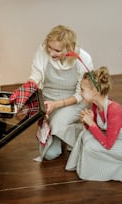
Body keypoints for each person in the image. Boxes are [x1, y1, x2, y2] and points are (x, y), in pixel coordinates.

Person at [26, 25, 94, 161]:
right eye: (49, 48)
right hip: (49, 101)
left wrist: (57, 104)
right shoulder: (43, 50)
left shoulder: (83, 59)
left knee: (57, 124)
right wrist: (27, 89)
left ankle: (76, 130)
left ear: (69, 48)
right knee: (51, 155)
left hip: (74, 102)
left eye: (57, 50)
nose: (51, 53)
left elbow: (81, 94)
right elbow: (36, 75)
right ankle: (61, 130)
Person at [65, 66, 122, 182]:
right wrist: (88, 122)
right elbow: (96, 130)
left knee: (91, 146)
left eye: (82, 89)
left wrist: (91, 124)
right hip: (118, 140)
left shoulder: (113, 110)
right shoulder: (97, 106)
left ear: (94, 92)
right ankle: (115, 162)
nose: (80, 93)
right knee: (85, 136)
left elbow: (107, 144)